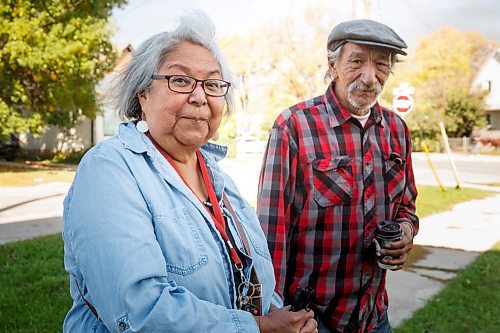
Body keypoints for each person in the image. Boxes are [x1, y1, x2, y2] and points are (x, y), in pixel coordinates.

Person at [62, 11, 317, 333]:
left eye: (212, 84)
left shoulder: (218, 176)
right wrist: (261, 327)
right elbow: (138, 309)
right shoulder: (108, 169)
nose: (199, 97)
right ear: (143, 94)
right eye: (180, 80)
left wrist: (285, 319)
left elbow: (255, 279)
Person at [257, 19, 419, 333]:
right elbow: (270, 230)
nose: (370, 77)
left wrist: (405, 231)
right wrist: (273, 312)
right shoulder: (294, 126)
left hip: (375, 317)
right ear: (333, 65)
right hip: (312, 320)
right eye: (356, 62)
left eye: (381, 65)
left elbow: (407, 207)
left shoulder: (397, 130)